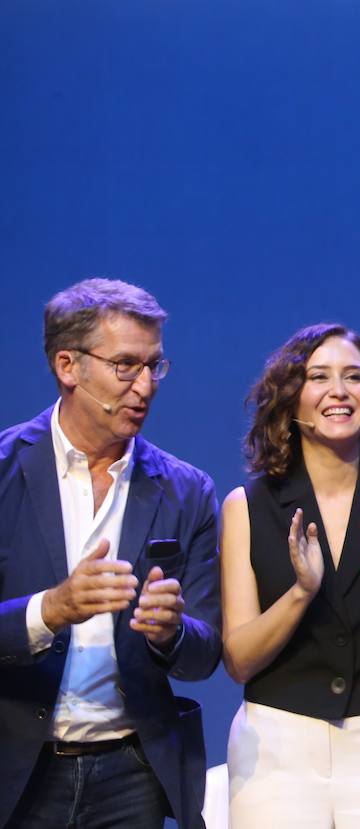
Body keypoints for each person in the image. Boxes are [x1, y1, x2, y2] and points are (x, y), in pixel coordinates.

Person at [0, 278, 221, 829]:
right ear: (68, 365)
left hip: (132, 774)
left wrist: (171, 632)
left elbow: (206, 652)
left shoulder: (186, 491)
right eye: (126, 365)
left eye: (154, 366)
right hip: (17, 769)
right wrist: (48, 610)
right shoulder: (4, 472)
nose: (145, 386)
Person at [220, 323, 360, 827]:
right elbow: (238, 659)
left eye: (354, 376)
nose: (339, 391)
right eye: (319, 377)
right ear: (290, 399)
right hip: (277, 750)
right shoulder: (247, 507)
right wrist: (301, 592)